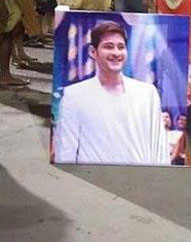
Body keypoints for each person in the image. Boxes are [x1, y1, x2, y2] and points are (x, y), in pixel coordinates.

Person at [54, 21, 170, 165]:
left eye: (121, 47)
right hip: (92, 177)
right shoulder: (74, 95)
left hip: (141, 176)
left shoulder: (147, 93)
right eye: (109, 47)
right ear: (93, 52)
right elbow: (65, 153)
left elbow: (160, 149)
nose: (116, 53)